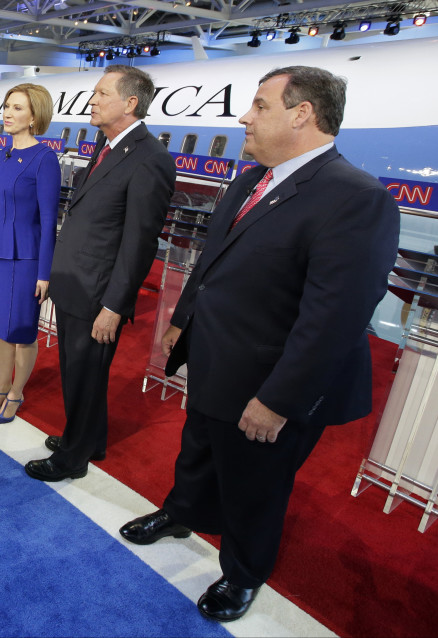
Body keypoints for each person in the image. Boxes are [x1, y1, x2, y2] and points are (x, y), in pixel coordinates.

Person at [119, 66, 400, 623]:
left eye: (260, 106)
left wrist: (279, 401)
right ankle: (182, 512)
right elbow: (214, 260)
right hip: (216, 356)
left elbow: (336, 319)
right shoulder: (253, 180)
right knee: (198, 449)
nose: (245, 117)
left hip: (271, 379)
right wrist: (184, 321)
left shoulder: (355, 198)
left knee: (256, 485)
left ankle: (243, 572)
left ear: (303, 114)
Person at [24, 65, 175, 482]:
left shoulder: (150, 158)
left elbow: (139, 242)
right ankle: (91, 439)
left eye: (101, 94)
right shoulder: (108, 147)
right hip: (77, 283)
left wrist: (114, 305)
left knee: (86, 376)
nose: (91, 101)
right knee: (79, 372)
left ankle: (72, 459)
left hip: (98, 294)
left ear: (130, 103)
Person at [0, 83, 59, 423]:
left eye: (17, 108)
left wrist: (44, 273)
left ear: (34, 117)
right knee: (0, 327)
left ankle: (16, 392)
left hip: (26, 259)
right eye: (7, 106)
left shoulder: (45, 159)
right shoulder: (5, 154)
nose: (8, 113)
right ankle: (0, 388)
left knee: (22, 330)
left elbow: (49, 220)